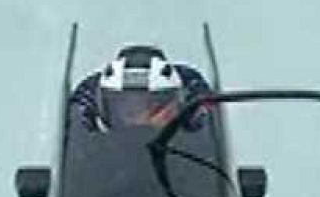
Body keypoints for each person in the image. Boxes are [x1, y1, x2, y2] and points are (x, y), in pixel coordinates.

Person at [69, 44, 215, 132]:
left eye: (154, 109)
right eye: (131, 112)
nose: (142, 122)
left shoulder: (196, 140)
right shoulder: (89, 150)